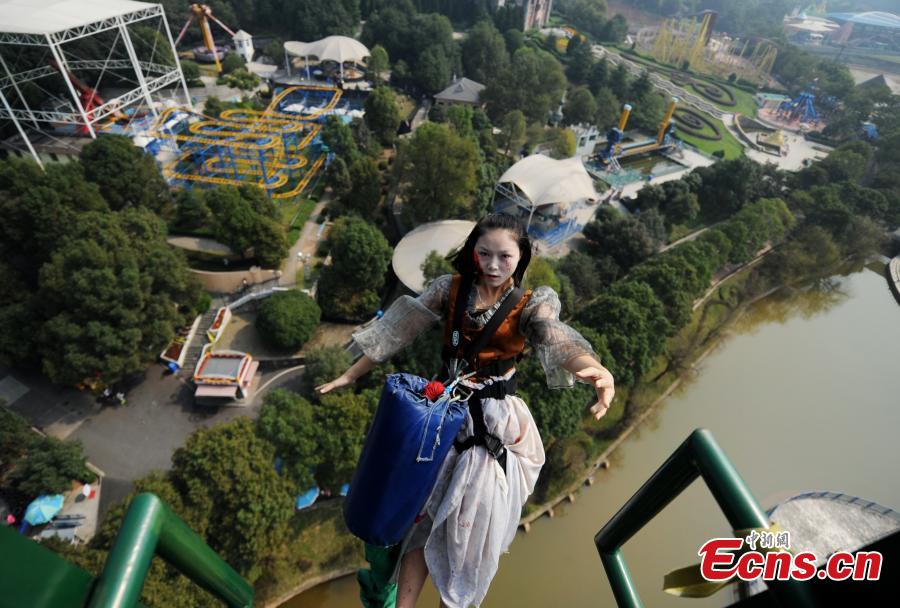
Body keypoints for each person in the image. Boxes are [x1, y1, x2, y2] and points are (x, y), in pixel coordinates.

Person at [317, 213, 615, 608]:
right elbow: (399, 329)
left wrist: (592, 369)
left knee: (468, 533)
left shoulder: (530, 305)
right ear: (473, 252)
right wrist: (350, 374)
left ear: (521, 257)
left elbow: (552, 335)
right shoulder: (450, 289)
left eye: (504, 257)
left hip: (492, 423)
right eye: (484, 254)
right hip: (442, 415)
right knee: (421, 518)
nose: (493, 265)